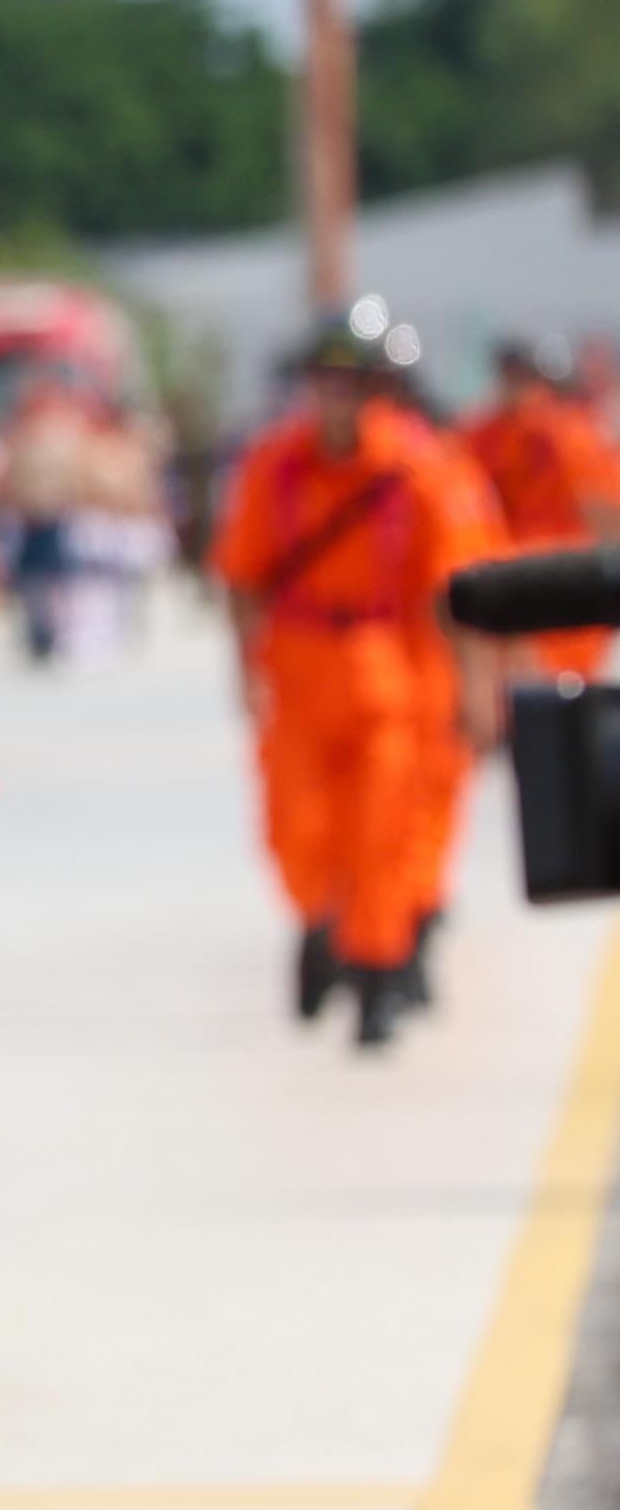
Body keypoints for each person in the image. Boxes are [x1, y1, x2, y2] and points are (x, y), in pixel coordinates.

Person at [209, 303, 500, 1045]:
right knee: (298, 832)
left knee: (382, 829)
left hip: (389, 670)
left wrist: (473, 684)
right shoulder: (274, 466)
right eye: (325, 379)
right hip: (299, 668)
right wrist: (244, 669)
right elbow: (242, 576)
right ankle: (321, 924)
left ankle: (376, 974)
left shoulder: (416, 468)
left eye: (350, 380)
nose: (337, 395)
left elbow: (452, 590)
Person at [460, 334, 620, 679]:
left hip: (546, 598)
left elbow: (605, 518)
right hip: (538, 595)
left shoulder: (564, 436)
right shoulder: (572, 432)